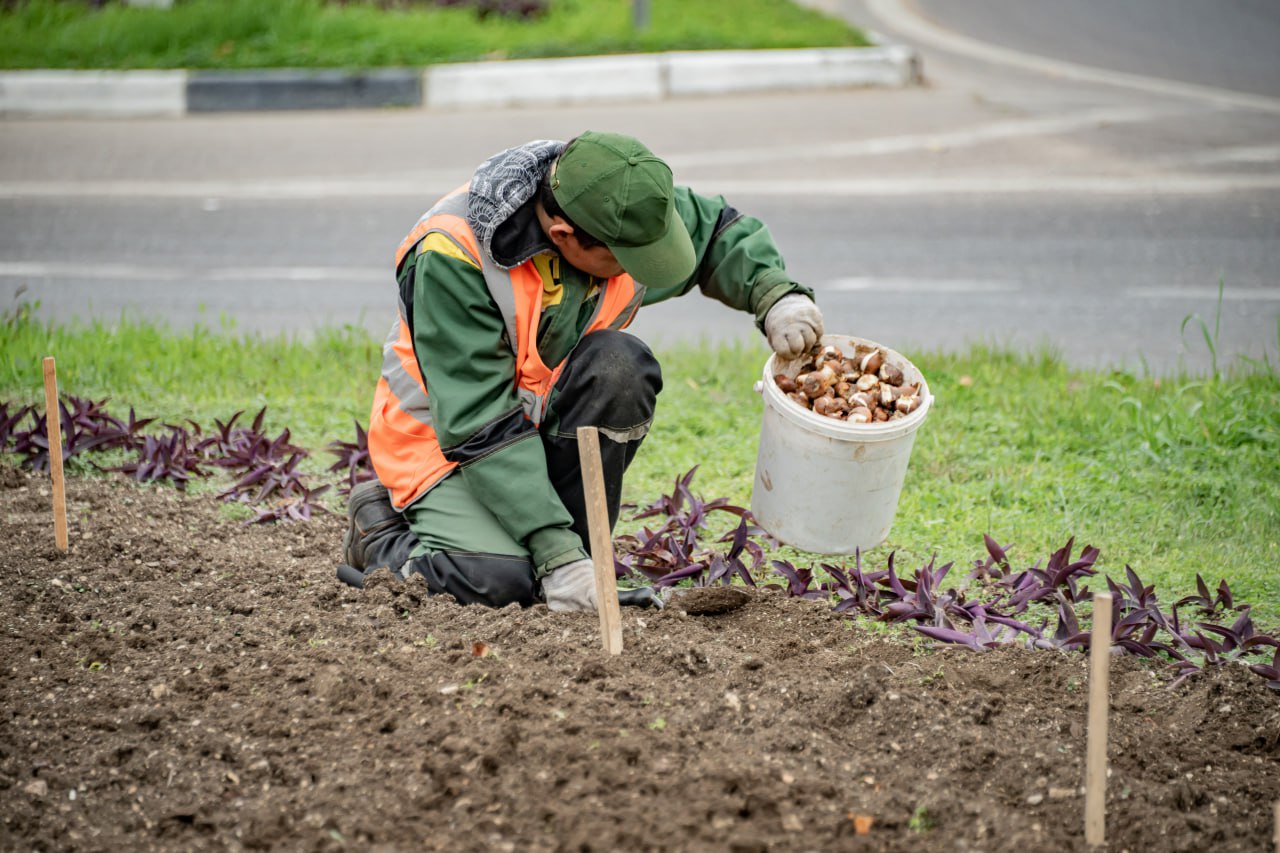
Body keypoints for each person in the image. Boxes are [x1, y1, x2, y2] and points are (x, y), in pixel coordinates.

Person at [340, 131, 823, 612]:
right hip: (448, 443)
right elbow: (478, 422)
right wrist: (556, 555)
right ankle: (379, 529)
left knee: (619, 366)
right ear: (564, 236)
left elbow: (717, 231)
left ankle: (565, 555)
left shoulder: (619, 200)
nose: (644, 270)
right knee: (500, 581)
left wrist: (777, 296)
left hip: (537, 422)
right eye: (628, 261)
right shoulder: (452, 255)